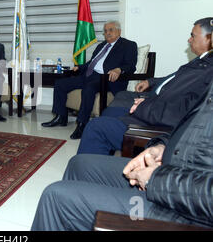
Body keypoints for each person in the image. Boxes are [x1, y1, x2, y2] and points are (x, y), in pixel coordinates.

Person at [31, 76, 213, 231]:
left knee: (54, 196)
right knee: (78, 164)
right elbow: (190, 129)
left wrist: (156, 178)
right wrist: (161, 147)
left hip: (181, 213)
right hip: (178, 172)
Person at [77, 17, 213, 155]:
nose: (189, 40)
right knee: (118, 100)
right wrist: (150, 82)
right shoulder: (200, 62)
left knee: (95, 126)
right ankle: (107, 146)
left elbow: (185, 108)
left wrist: (144, 105)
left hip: (159, 118)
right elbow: (174, 78)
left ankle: (106, 141)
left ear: (210, 39)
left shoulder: (206, 71)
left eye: (193, 36)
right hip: (155, 101)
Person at [41, 21, 138, 140]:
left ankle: (82, 124)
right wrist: (79, 67)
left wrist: (119, 69)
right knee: (60, 83)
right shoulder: (101, 45)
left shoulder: (128, 45)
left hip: (106, 79)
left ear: (119, 31)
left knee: (89, 88)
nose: (107, 33)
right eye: (105, 31)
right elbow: (92, 62)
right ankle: (61, 117)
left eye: (111, 30)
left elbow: (131, 65)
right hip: (89, 75)